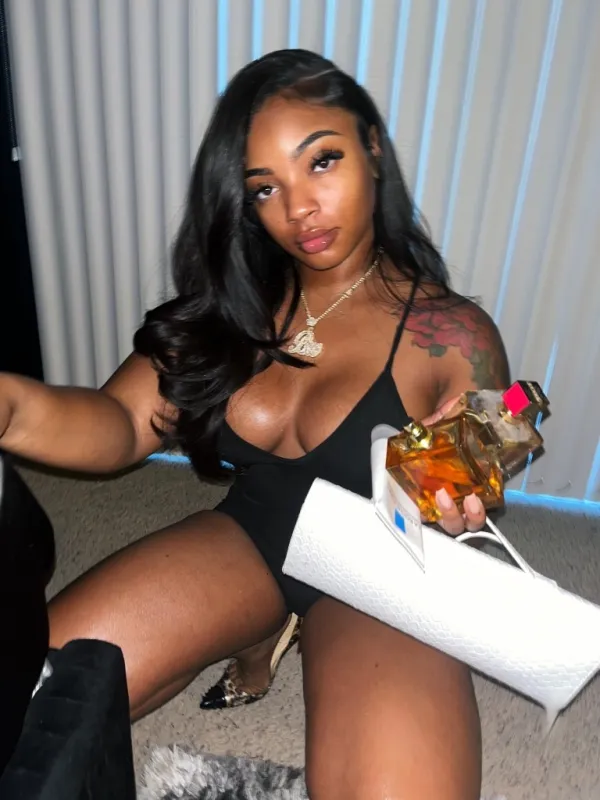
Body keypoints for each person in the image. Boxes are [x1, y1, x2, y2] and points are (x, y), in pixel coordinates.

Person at [0, 49, 510, 799]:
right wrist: (10, 405)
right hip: (253, 536)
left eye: (322, 161)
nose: (298, 208)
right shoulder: (234, 309)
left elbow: (480, 485)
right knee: (27, 700)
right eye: (265, 187)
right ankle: (258, 624)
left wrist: (464, 494)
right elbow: (118, 424)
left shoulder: (455, 335)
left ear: (372, 146)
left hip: (385, 569)